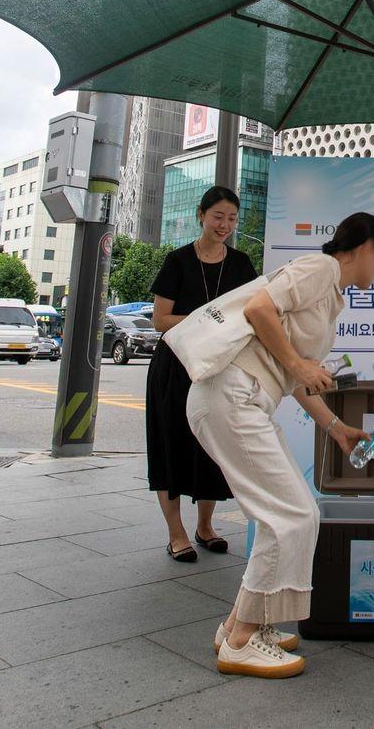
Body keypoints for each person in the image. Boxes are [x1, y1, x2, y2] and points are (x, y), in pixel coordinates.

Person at [187, 212, 374, 679]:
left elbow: (298, 378)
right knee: (293, 514)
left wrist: (337, 428)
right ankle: (240, 643)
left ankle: (238, 627)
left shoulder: (331, 294)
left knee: (284, 513)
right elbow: (259, 310)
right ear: (363, 249)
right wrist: (299, 364)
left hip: (245, 399)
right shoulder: (321, 269)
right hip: (232, 395)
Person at [147, 186, 257, 562]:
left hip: (219, 366)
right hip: (176, 366)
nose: (225, 225)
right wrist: (208, 319)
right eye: (218, 217)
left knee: (213, 446)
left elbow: (251, 313)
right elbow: (160, 319)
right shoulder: (177, 261)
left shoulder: (242, 264)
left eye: (232, 218)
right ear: (201, 215)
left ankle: (205, 526)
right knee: (171, 445)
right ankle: (176, 533)